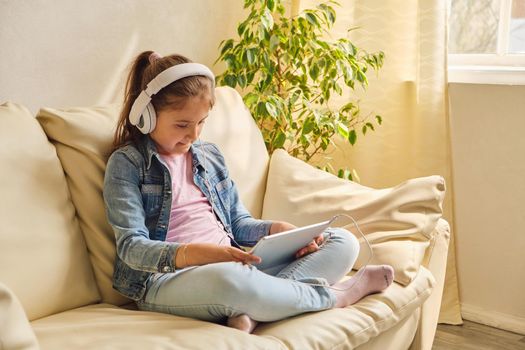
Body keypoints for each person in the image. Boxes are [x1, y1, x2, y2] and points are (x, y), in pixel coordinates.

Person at [103, 51, 394, 334]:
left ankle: (252, 310)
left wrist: (281, 231)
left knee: (342, 241)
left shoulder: (208, 155)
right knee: (230, 281)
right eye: (182, 125)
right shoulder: (128, 163)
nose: (194, 135)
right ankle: (336, 296)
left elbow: (239, 223)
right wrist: (198, 255)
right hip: (167, 279)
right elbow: (132, 247)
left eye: (201, 122)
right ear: (147, 117)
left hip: (235, 263)